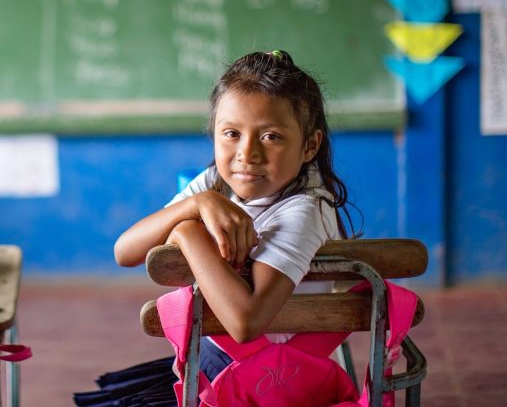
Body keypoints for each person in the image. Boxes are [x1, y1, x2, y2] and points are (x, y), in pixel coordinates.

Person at [74, 50, 356, 406]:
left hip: (265, 382)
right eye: (231, 133)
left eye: (270, 136)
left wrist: (187, 233)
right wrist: (195, 205)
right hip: (215, 367)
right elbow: (124, 252)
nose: (247, 153)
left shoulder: (303, 210)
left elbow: (245, 324)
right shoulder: (215, 184)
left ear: (309, 146)